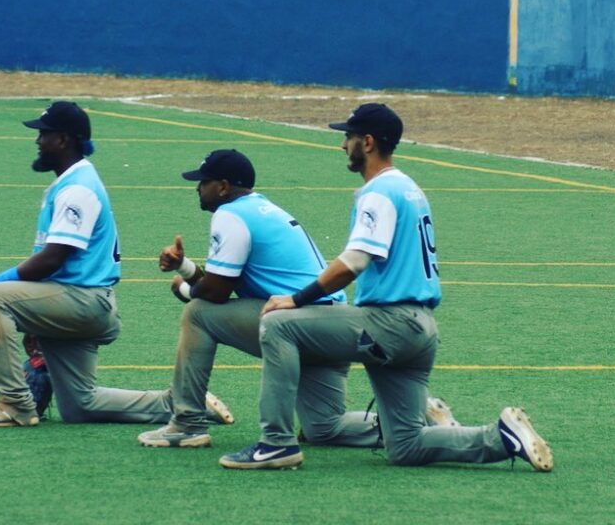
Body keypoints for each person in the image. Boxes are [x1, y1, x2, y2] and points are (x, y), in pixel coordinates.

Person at [220, 103, 554, 472]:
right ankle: (502, 436)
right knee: (406, 446)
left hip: (389, 324)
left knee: (277, 323)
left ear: (367, 142)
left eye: (348, 137)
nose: (342, 145)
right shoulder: (408, 187)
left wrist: (296, 299)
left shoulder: (378, 192)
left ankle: (275, 444)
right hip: (421, 330)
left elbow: (354, 261)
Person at [138, 148, 456, 450]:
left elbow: (215, 294)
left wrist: (184, 289)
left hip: (299, 324)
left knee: (197, 313)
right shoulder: (262, 209)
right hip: (330, 325)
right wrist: (185, 268)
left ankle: (188, 424)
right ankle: (420, 421)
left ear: (223, 187)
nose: (198, 188)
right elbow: (218, 284)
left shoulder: (230, 214)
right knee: (324, 427)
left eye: (203, 182)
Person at [0, 101, 231, 428]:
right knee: (80, 405)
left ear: (63, 139)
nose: (38, 141)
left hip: (82, 302)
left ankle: (14, 405)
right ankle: (185, 403)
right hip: (79, 300)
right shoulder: (74, 183)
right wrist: (32, 315)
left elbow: (53, 257)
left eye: (44, 134)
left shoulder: (78, 189)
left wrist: (1, 284)